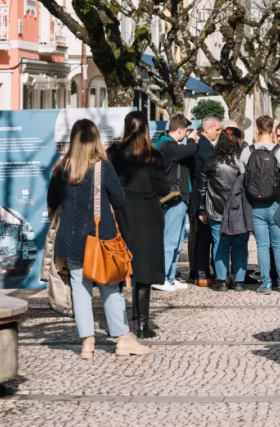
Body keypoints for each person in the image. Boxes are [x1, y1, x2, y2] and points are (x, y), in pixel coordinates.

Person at [48, 119, 149, 359]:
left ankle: (87, 343)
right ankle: (123, 339)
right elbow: (120, 199)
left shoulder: (62, 169)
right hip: (98, 238)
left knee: (80, 291)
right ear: (95, 139)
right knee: (110, 288)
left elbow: (52, 202)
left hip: (70, 240)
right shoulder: (102, 167)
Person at [110, 111, 170, 339]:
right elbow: (163, 188)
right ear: (146, 128)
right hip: (147, 213)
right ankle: (142, 325)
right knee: (144, 268)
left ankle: (117, 322)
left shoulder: (114, 152)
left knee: (117, 266)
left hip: (121, 211)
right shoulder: (153, 155)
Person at [241, 115, 280, 294]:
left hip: (255, 204)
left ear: (257, 129)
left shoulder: (247, 152)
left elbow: (243, 177)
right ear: (273, 131)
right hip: (277, 202)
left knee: (262, 245)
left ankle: (266, 284)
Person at [200, 129, 249, 291]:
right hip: (238, 209)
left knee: (220, 244)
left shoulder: (210, 161)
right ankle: (239, 281)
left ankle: (221, 280)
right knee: (240, 245)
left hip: (216, 209)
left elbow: (202, 188)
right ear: (236, 141)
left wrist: (202, 209)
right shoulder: (241, 162)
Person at [154, 114, 197, 292]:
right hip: (173, 198)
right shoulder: (167, 145)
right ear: (180, 130)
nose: (186, 134)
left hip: (180, 198)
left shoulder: (168, 144)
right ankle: (162, 278)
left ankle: (170, 277)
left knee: (178, 241)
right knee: (170, 240)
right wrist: (193, 141)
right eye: (185, 131)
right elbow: (187, 151)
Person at [190, 116, 222, 286]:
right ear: (207, 129)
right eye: (217, 129)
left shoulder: (204, 144)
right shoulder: (205, 147)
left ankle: (200, 272)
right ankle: (202, 272)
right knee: (204, 237)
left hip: (202, 196)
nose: (219, 132)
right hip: (204, 197)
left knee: (202, 237)